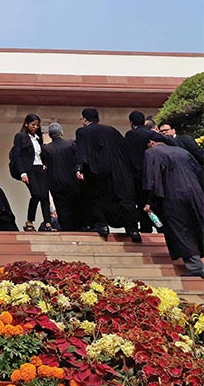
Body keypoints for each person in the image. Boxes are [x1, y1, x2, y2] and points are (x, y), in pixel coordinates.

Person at [74, 108, 142, 242]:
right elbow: (124, 149)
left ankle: (102, 225)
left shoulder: (82, 132)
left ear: (85, 119)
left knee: (96, 198)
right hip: (119, 171)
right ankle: (133, 229)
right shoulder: (111, 130)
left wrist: (79, 168)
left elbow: (82, 152)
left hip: (98, 171)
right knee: (124, 200)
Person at [144, 135, 204, 278]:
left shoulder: (152, 152)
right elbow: (199, 172)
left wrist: (150, 201)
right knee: (198, 224)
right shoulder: (182, 151)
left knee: (180, 228)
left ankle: (195, 266)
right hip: (195, 192)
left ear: (152, 142)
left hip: (172, 194)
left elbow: (152, 178)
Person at [9, 114, 51, 232]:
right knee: (36, 194)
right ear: (26, 124)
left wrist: (44, 164)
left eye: (37, 125)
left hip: (40, 168)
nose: (35, 127)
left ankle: (48, 223)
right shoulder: (20, 136)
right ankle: (29, 220)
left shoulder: (38, 137)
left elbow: (40, 153)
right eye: (33, 125)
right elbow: (17, 155)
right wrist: (22, 172)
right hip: (29, 169)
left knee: (44, 196)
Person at [41, 123, 84, 232]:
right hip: (72, 181)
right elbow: (78, 159)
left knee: (61, 209)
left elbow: (45, 165)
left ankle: (66, 229)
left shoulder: (46, 149)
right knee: (75, 205)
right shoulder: (71, 144)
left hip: (55, 184)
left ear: (50, 135)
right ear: (62, 133)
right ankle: (78, 228)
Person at [124, 111, 155, 232]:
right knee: (148, 202)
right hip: (150, 172)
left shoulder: (130, 135)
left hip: (135, 174)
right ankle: (149, 226)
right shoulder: (151, 134)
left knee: (136, 201)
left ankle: (138, 228)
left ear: (131, 122)